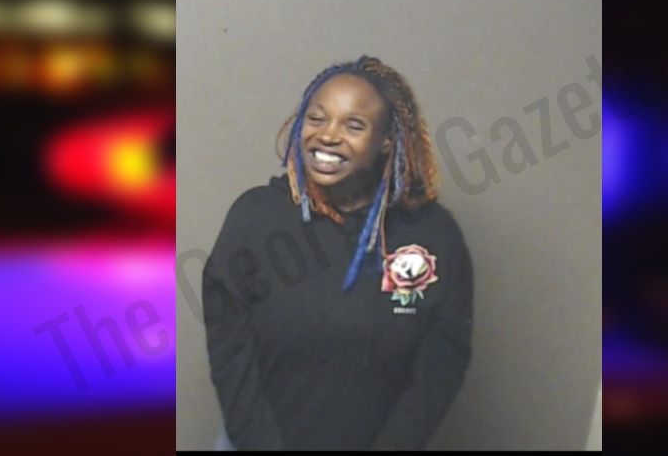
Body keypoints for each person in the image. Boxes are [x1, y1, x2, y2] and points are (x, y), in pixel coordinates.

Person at [202, 55, 474, 451]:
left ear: (387, 140)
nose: (328, 135)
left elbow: (441, 364)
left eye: (354, 125)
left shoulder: (432, 234)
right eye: (316, 118)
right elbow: (230, 355)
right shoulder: (256, 218)